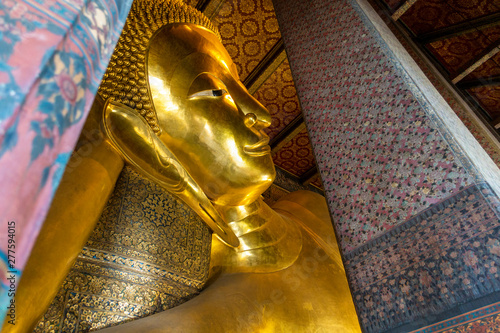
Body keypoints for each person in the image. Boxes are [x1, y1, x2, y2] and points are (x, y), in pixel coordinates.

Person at [5, 0, 361, 331]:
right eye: (214, 93)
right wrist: (97, 137)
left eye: (238, 84)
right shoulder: (215, 306)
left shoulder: (313, 208)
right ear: (138, 140)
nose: (260, 113)